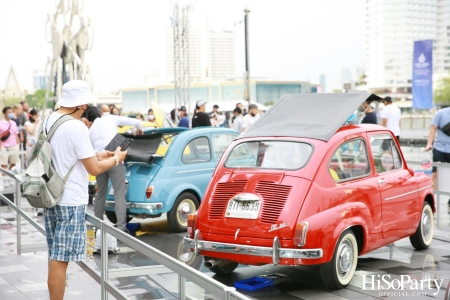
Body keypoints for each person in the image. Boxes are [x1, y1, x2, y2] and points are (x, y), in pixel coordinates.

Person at [43, 80, 127, 300]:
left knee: (55, 255)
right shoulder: (76, 126)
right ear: (79, 105)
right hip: (70, 201)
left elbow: (75, 157)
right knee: (60, 260)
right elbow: (94, 168)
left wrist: (103, 155)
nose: (85, 110)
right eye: (85, 105)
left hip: (51, 195)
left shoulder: (49, 121)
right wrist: (116, 159)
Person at [87, 108, 143, 232]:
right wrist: (139, 128)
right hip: (114, 159)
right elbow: (134, 122)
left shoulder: (90, 131)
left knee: (100, 193)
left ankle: (98, 228)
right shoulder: (110, 118)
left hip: (100, 162)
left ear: (89, 121)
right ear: (100, 114)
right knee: (119, 193)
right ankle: (121, 228)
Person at [425, 105, 450, 214]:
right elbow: (433, 129)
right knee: (435, 175)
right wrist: (429, 144)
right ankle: (432, 202)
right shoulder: (441, 113)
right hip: (439, 149)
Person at [0, 106, 20, 191]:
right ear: (4, 113)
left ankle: (11, 177)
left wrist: (17, 144)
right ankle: (4, 180)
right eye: (9, 112)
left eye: (11, 112)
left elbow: (16, 134)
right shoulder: (1, 123)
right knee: (3, 164)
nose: (11, 113)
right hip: (4, 146)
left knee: (13, 163)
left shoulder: (14, 123)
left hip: (13, 146)